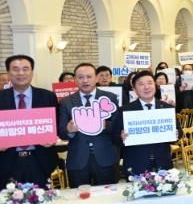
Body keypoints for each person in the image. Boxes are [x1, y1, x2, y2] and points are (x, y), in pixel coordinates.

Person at [0, 55, 59, 187]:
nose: (21, 73)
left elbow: (57, 126)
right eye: (15, 69)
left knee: (42, 197)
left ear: (32, 72)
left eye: (25, 69)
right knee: (7, 199)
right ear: (8, 73)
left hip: (40, 160)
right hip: (6, 162)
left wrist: (52, 137)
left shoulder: (48, 96)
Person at [57, 63, 120, 187]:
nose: (85, 81)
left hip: (105, 157)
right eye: (80, 77)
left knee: (107, 196)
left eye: (89, 77)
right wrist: (69, 130)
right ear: (75, 80)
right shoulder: (66, 102)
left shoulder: (110, 98)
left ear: (96, 78)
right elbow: (62, 133)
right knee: (80, 196)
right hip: (78, 159)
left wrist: (105, 125)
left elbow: (118, 126)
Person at [111, 70, 178, 175]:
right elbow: (114, 137)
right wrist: (121, 137)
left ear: (155, 85)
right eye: (141, 84)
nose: (146, 87)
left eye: (150, 83)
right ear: (134, 89)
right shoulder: (124, 110)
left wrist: (176, 134)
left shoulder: (167, 108)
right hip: (136, 164)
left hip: (162, 162)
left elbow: (179, 132)